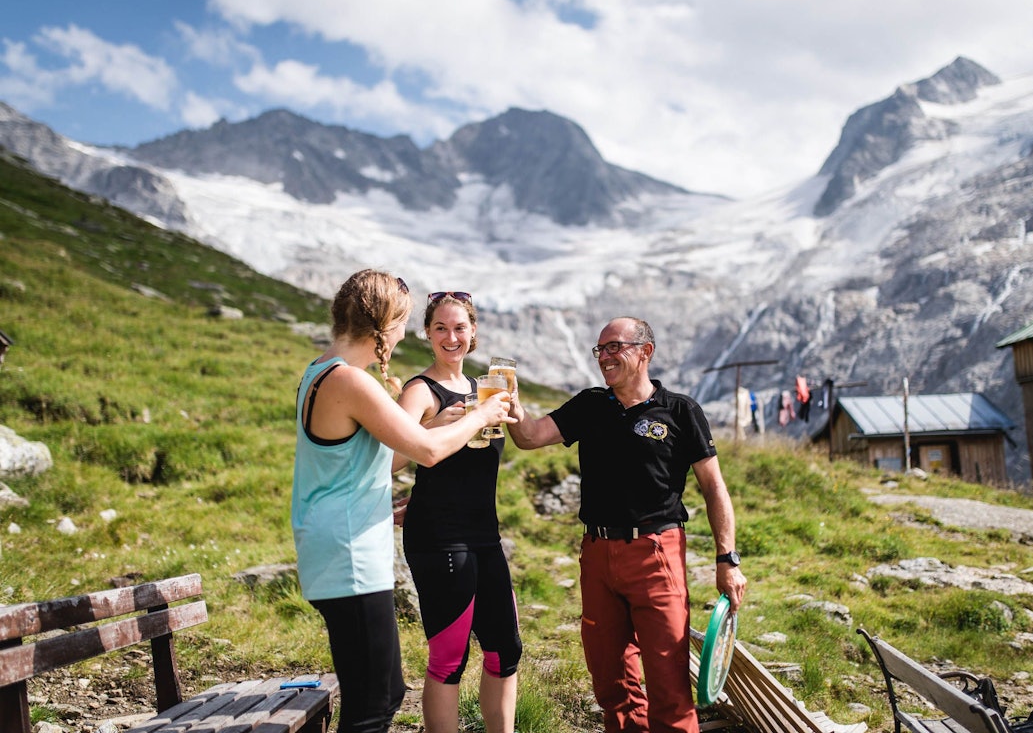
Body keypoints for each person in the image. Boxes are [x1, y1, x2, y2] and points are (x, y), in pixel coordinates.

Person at [291, 270, 513, 733]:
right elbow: (424, 450)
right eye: (404, 323)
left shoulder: (319, 370)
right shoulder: (352, 381)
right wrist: (485, 414)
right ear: (383, 326)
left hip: (335, 541)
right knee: (375, 703)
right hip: (349, 551)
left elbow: (350, 462)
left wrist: (412, 502)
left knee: (381, 694)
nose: (400, 335)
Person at [509, 316, 748, 733]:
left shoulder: (681, 411)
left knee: (668, 681)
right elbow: (529, 437)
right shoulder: (590, 405)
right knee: (611, 680)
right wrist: (511, 407)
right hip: (597, 554)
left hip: (657, 553)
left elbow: (715, 487)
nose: (605, 357)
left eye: (614, 347)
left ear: (645, 352)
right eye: (600, 350)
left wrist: (727, 558)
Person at [393, 291, 522, 733]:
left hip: (484, 533)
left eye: (460, 327)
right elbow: (388, 458)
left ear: (474, 333)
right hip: (438, 537)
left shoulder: (485, 389)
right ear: (427, 333)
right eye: (441, 328)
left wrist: (513, 411)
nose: (452, 337)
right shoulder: (420, 390)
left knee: (506, 650)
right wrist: (433, 425)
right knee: (450, 657)